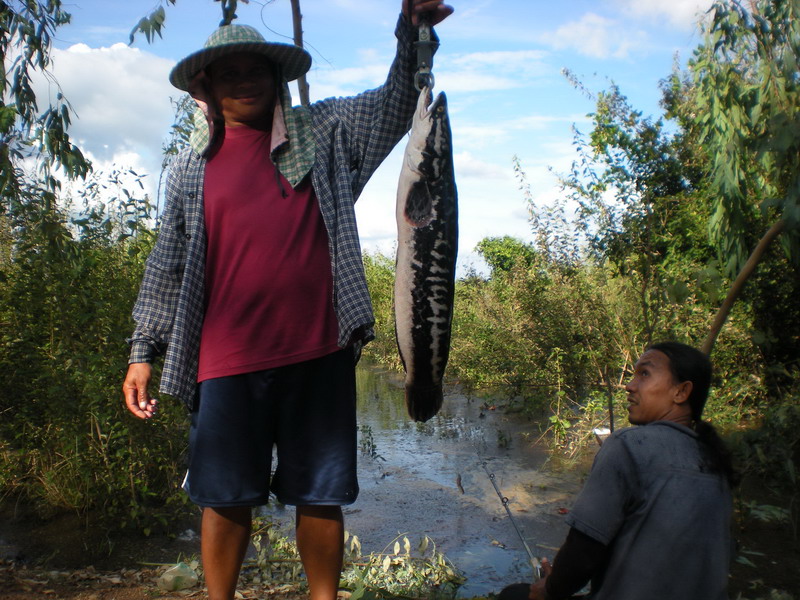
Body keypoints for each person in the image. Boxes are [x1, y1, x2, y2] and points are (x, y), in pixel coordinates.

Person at [121, 2, 454, 600]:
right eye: (229, 73)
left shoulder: (324, 133)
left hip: (319, 350)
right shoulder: (188, 170)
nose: (244, 80)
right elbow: (166, 265)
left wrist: (412, 32)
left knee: (320, 496)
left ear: (277, 77)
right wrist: (143, 350)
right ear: (206, 88)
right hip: (223, 361)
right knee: (224, 498)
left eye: (257, 69)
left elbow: (395, 104)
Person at [519, 342, 736, 600]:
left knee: (516, 594)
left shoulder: (629, 445)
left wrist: (549, 588)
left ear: (681, 391)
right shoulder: (715, 460)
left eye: (644, 374)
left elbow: (584, 553)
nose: (629, 386)